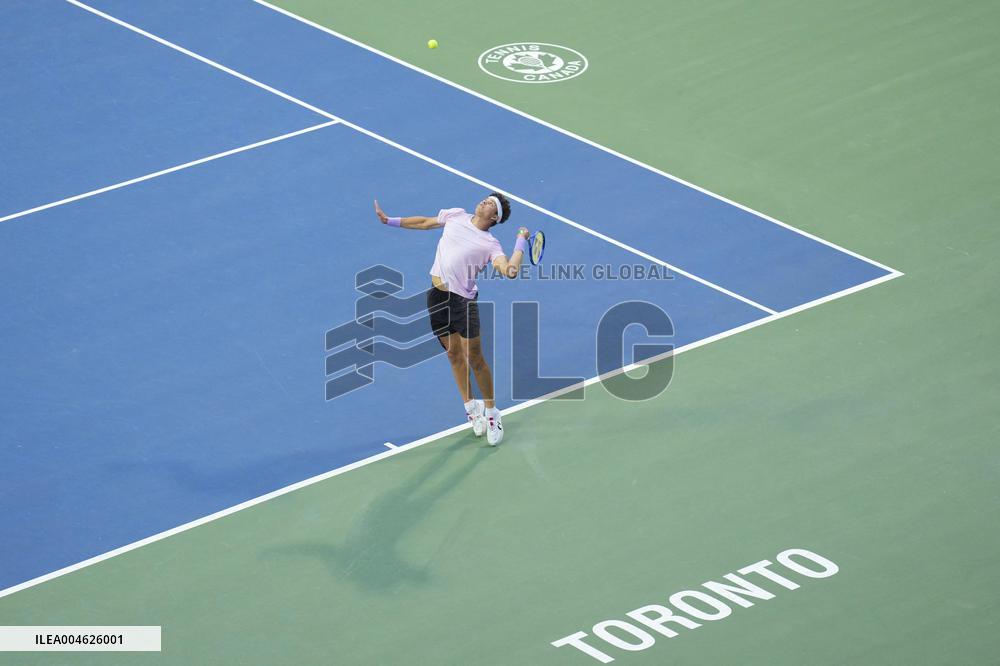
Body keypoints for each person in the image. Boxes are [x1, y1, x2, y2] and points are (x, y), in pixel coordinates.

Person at [373, 193, 528, 445]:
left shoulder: (491, 245)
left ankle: (491, 412)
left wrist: (520, 242)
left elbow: (509, 271)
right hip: (436, 296)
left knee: (475, 358)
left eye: (491, 204)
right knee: (453, 354)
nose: (484, 202)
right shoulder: (456, 215)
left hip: (463, 303)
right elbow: (424, 222)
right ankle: (471, 408)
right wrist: (390, 220)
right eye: (485, 199)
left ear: (495, 217)